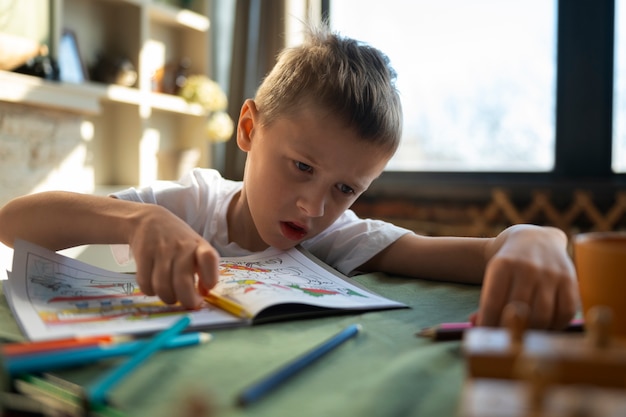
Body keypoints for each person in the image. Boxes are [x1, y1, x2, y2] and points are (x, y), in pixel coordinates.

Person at [0, 25, 578, 329]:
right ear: (248, 129)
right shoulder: (189, 205)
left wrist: (536, 237)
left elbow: (475, 255)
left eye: (345, 188)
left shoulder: (338, 238)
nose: (312, 206)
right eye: (302, 167)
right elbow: (13, 222)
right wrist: (139, 218)